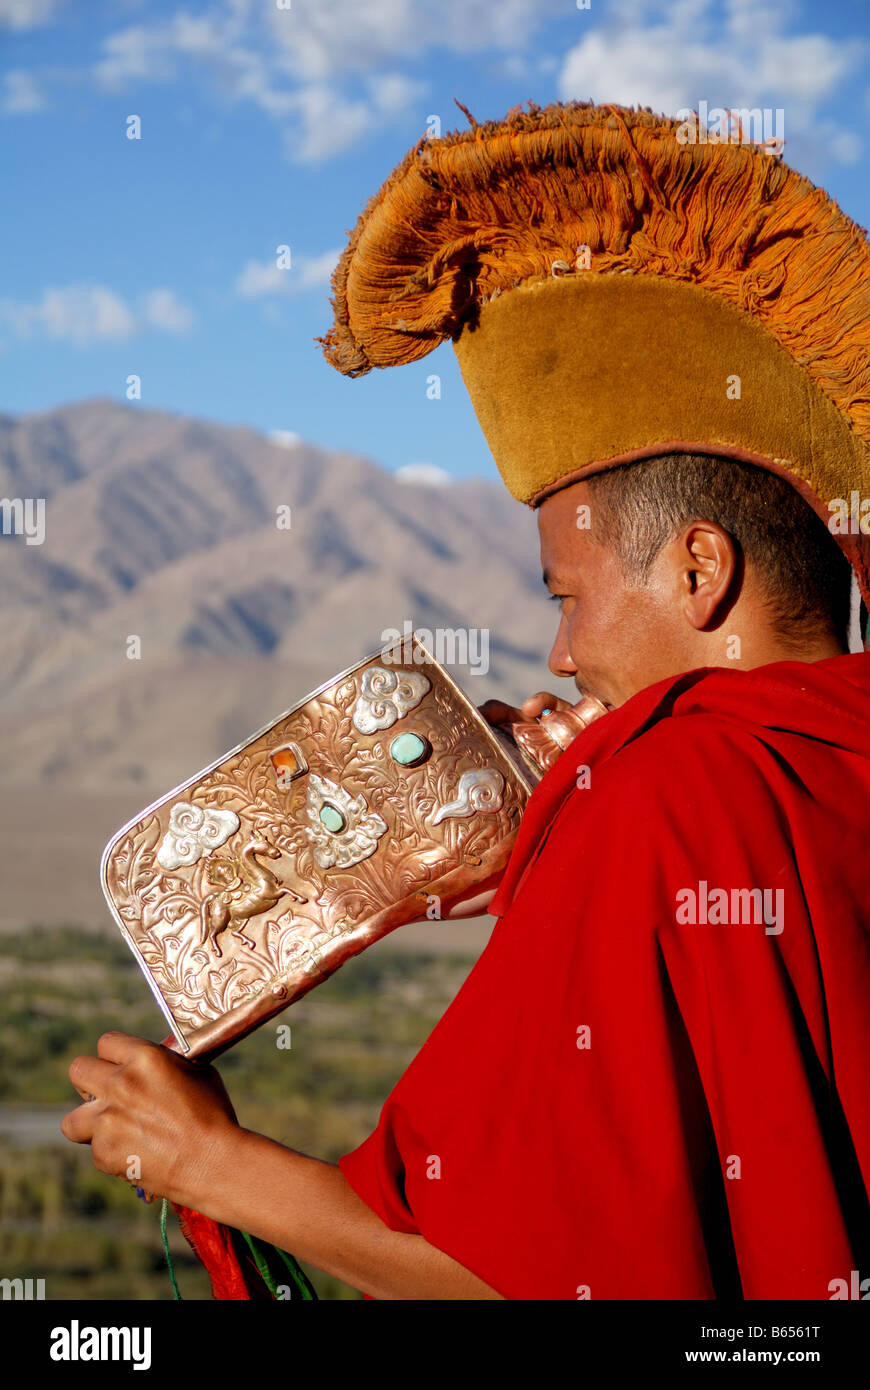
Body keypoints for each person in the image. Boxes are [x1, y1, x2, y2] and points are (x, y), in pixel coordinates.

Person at [62, 100, 870, 1299]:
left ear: (700, 571)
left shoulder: (657, 796)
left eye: (570, 596)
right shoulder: (802, 761)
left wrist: (206, 1158)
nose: (556, 653)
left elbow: (514, 1269)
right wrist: (550, 860)